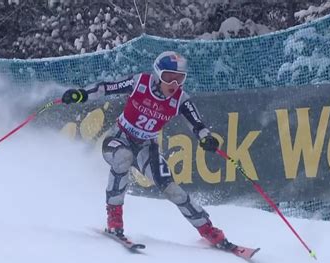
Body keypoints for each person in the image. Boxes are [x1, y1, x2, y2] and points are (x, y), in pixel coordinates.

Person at [61, 51, 233, 249]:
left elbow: (198, 124)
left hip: (147, 147)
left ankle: (208, 230)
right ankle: (114, 220)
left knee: (171, 190)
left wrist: (206, 138)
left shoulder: (180, 99)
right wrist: (81, 94)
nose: (174, 85)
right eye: (169, 78)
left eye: (180, 79)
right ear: (158, 75)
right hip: (119, 138)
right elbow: (105, 88)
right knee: (123, 158)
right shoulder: (140, 83)